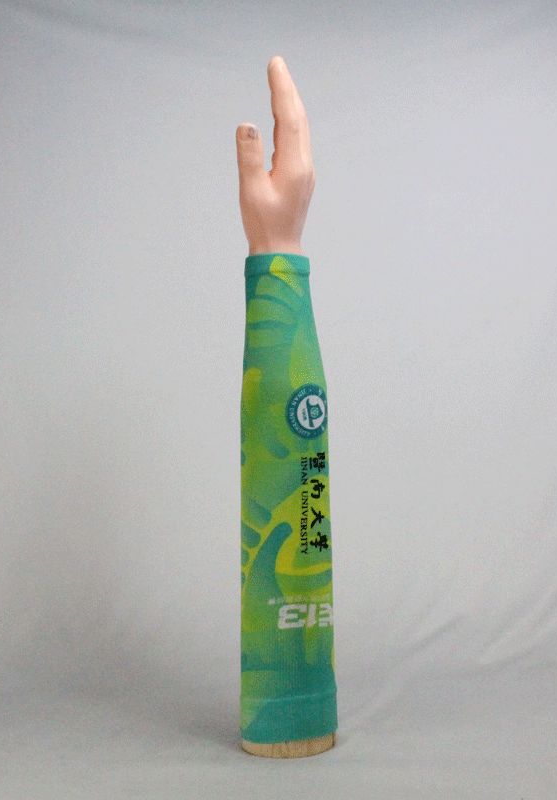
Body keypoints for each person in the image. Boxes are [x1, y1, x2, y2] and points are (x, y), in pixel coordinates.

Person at [236, 57, 337, 758]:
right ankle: (280, 712)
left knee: (305, 509)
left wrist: (276, 245)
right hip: (280, 313)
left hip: (282, 311)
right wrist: (275, 245)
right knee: (297, 504)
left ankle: (306, 708)